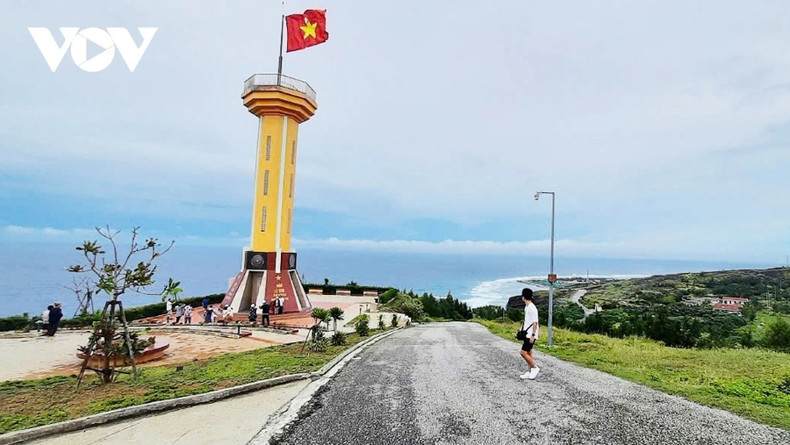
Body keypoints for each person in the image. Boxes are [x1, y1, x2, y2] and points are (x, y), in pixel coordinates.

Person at [519, 288, 540, 380]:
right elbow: (528, 320)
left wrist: (533, 335)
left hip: (530, 334)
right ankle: (530, 370)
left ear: (523, 297)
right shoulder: (527, 307)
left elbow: (535, 322)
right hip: (527, 333)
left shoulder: (532, 307)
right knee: (529, 352)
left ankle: (534, 368)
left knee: (523, 352)